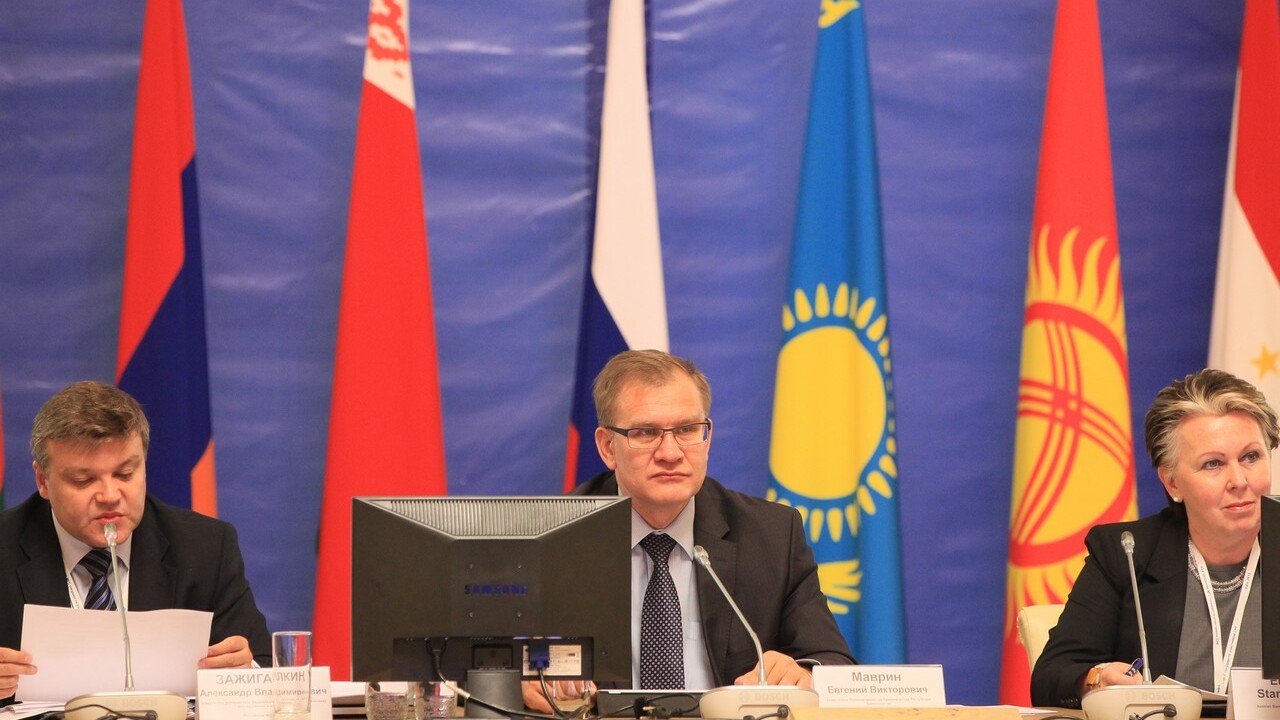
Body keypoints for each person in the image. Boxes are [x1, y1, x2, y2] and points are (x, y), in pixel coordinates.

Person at [524, 350, 853, 713]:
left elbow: (832, 663)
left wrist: (802, 673)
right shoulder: (551, 537)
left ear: (706, 438)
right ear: (607, 447)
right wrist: (529, 674)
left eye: (686, 430)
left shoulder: (771, 535)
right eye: (646, 432)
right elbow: (493, 661)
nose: (670, 453)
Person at [0, 381, 272, 705]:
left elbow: (264, 670)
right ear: (43, 481)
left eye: (125, 474)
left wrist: (244, 675)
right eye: (84, 480)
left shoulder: (206, 548)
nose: (109, 496)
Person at [1031, 368, 1278, 707]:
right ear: (1172, 483)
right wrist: (1099, 678)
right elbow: (1051, 676)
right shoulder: (1127, 554)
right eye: (1213, 464)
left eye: (1251, 457)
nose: (1238, 480)